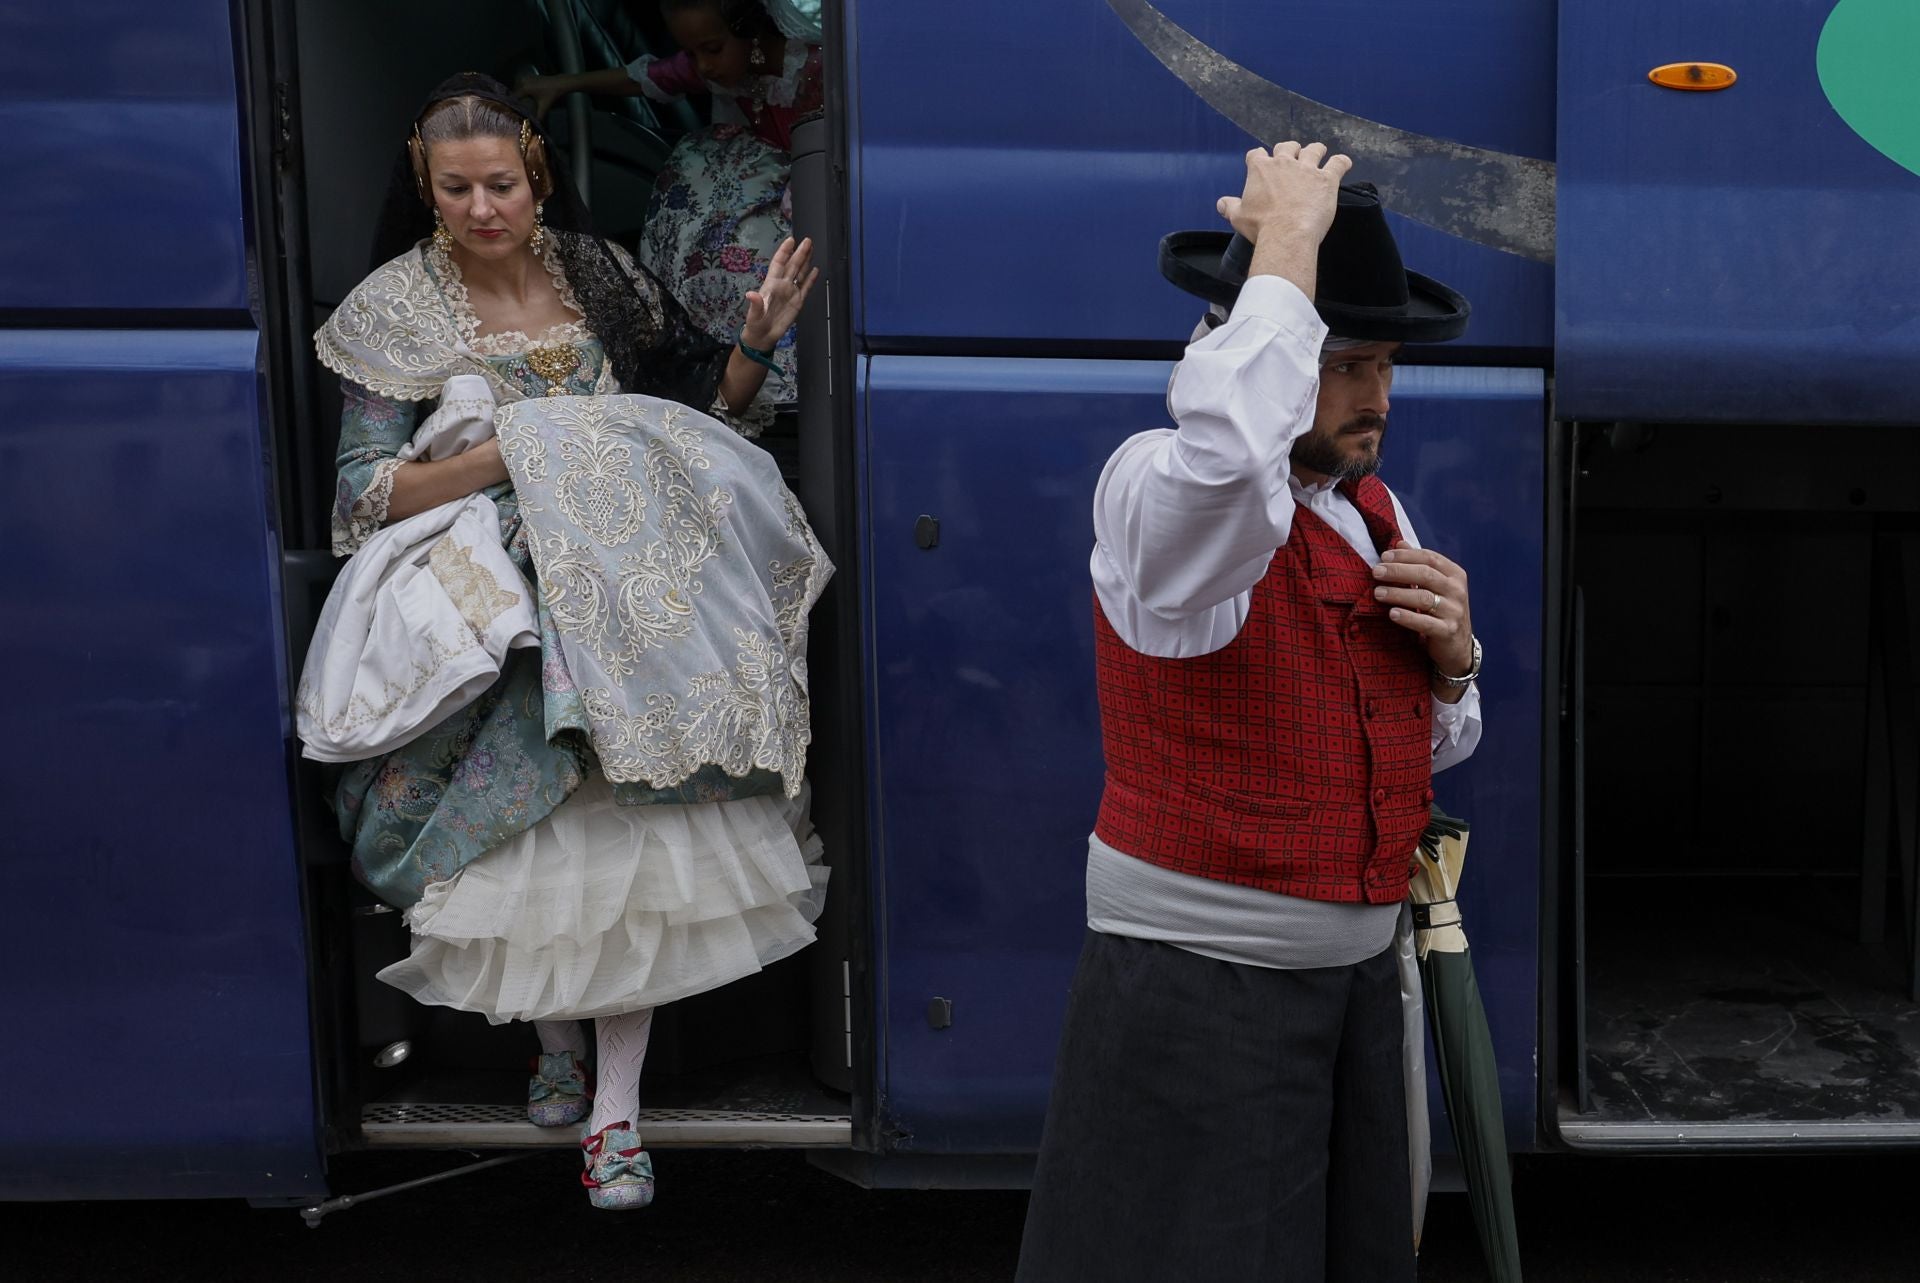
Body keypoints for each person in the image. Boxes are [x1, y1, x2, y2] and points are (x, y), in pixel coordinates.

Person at [313, 72, 826, 1211]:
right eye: (456, 189)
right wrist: (518, 451)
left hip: (630, 589)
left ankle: (614, 1114)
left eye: (500, 182)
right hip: (495, 600)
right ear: (427, 187)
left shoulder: (599, 275)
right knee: (525, 847)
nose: (481, 206)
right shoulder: (391, 309)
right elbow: (362, 495)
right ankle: (552, 1046)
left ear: (535, 172)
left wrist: (748, 347)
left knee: (633, 857)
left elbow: (689, 415)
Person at [1014, 143, 1483, 1281]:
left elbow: (1405, 743)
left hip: (1359, 983)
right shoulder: (1156, 483)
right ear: (1254, 349)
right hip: (1199, 992)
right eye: (1347, 363)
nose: (1376, 394)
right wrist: (1283, 251)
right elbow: (1230, 461)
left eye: (1388, 364)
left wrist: (1457, 666)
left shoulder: (1374, 509)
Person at [517, 0, 824, 407]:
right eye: (692, 54)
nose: (704, 66)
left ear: (750, 33)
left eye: (712, 50)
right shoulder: (718, 70)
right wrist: (564, 84)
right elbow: (647, 78)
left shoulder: (814, 70)